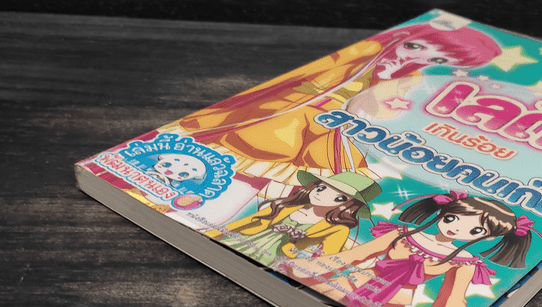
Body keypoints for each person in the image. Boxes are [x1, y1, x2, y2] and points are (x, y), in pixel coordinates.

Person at [174, 18, 503, 188]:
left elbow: (373, 111)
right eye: (417, 47)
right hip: (294, 109)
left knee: (300, 177)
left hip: (329, 127)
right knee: (259, 146)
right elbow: (313, 73)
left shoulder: (411, 78)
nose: (420, 57)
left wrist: (388, 98)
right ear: (406, 36)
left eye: (439, 59)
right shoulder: (366, 51)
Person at [286, 192, 540, 307]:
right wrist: (304, 267)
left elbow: (452, 299)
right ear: (444, 212)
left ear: (488, 237)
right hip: (353, 283)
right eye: (452, 218)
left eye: (474, 230)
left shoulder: (464, 262)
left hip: (391, 305)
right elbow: (356, 254)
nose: (454, 228)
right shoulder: (403, 234)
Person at [207, 171, 381, 267]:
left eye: (338, 197)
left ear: (348, 205)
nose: (321, 195)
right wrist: (213, 234)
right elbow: (248, 221)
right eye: (321, 188)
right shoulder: (287, 205)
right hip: (240, 242)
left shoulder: (338, 228)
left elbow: (328, 257)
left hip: (273, 259)